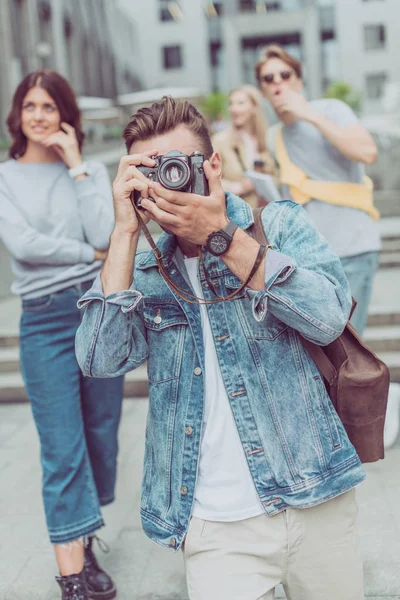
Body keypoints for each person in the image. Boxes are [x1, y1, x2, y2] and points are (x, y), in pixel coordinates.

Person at [76, 96, 366, 600]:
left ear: (211, 166)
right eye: (151, 171)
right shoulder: (144, 270)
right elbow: (99, 360)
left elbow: (328, 318)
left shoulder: (277, 225)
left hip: (315, 496)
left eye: (176, 167)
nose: (166, 182)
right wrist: (124, 231)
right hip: (214, 524)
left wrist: (222, 237)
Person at [0, 70, 124, 600]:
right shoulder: (3, 177)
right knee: (62, 446)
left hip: (96, 311)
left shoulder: (91, 170)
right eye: (30, 105)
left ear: (65, 115)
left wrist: (76, 167)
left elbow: (103, 232)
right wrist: (85, 255)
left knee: (100, 434)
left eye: (50, 106)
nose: (39, 115)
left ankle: (83, 534)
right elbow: (24, 244)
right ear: (17, 114)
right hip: (45, 317)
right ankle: (72, 574)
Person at [256, 44, 400, 449]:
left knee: (350, 349)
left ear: (299, 80)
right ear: (263, 89)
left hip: (352, 248)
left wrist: (309, 114)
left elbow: (366, 152)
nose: (279, 84)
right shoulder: (276, 136)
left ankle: (359, 434)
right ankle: (329, 437)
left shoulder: (330, 110)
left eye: (286, 75)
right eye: (270, 78)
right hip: (308, 260)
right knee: (315, 352)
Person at [211, 85, 277, 208]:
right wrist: (237, 187)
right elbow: (207, 178)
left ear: (254, 108)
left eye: (240, 103)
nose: (234, 109)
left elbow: (277, 176)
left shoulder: (266, 139)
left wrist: (265, 184)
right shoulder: (220, 140)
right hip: (235, 216)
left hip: (264, 214)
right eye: (231, 104)